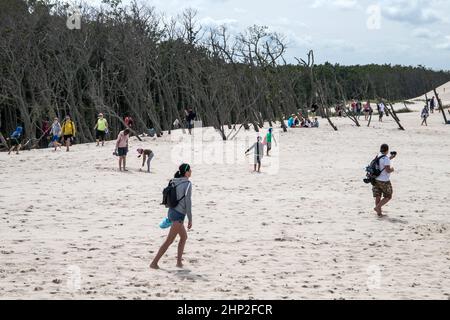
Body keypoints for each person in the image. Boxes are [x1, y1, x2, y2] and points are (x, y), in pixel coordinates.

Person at [150, 164, 193, 269]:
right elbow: (188, 202)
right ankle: (154, 263)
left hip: (171, 211)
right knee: (169, 240)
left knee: (184, 237)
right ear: (186, 172)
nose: (191, 171)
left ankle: (179, 262)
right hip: (178, 215)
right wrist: (190, 218)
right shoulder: (187, 184)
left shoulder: (174, 180)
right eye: (190, 170)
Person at [373, 144, 397, 217]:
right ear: (387, 150)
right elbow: (387, 170)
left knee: (378, 195)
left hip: (376, 179)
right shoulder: (386, 158)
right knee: (388, 196)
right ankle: (377, 208)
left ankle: (379, 213)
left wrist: (390, 158)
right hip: (384, 180)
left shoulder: (378, 155)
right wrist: (392, 169)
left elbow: (382, 163)